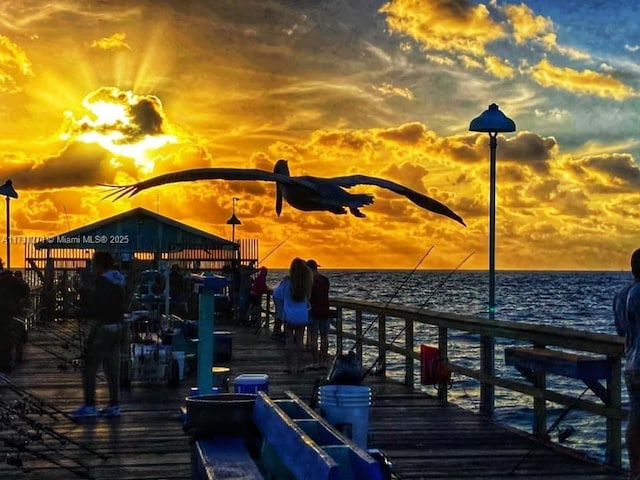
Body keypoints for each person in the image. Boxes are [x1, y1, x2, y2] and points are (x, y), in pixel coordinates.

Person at [72, 251, 126, 419]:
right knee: (112, 369)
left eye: (93, 264)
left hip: (103, 328)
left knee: (89, 366)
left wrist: (82, 303)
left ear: (100, 265)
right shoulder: (120, 280)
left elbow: (97, 307)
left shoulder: (102, 282)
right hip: (118, 327)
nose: (92, 267)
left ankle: (90, 405)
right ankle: (114, 405)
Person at [614, 248, 640, 478]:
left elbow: (621, 330)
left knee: (635, 418)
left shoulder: (621, 295)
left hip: (631, 364)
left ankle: (635, 470)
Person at [273, 258, 313, 375]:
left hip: (289, 315)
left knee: (289, 341)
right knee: (300, 341)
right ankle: (301, 366)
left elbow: (276, 295)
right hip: (302, 315)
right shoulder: (306, 282)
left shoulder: (287, 282)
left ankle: (290, 366)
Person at [306, 259, 330, 368]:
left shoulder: (309, 282)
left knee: (313, 337)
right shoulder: (325, 280)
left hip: (313, 312)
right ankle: (324, 361)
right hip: (325, 311)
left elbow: (307, 297)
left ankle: (316, 362)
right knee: (324, 336)